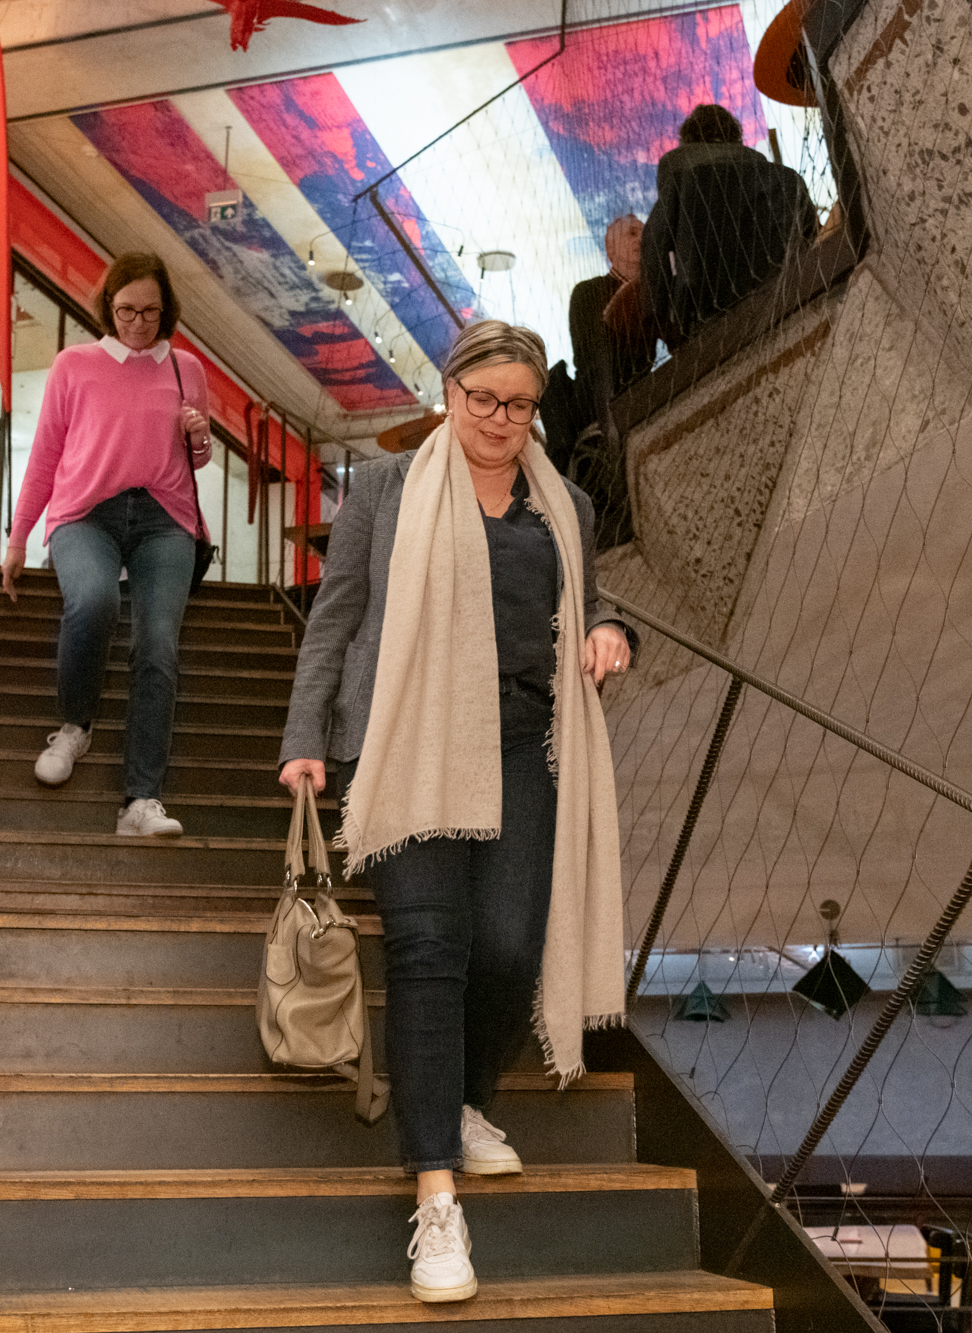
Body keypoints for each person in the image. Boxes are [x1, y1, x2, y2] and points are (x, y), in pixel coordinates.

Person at [277, 320, 635, 1304]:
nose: (499, 419)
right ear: (449, 392)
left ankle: (467, 1099)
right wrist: (305, 735)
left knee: (510, 947)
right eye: (483, 399)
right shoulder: (386, 490)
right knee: (431, 947)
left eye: (519, 405)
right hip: (408, 734)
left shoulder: (564, 505)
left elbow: (589, 602)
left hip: (522, 742)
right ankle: (436, 1196)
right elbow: (336, 614)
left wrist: (608, 630)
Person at [2, 253, 211, 837]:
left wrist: (199, 438)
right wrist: (18, 538)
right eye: (126, 310)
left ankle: (140, 802)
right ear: (108, 307)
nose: (138, 323)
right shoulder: (75, 365)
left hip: (165, 518)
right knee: (94, 601)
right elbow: (46, 454)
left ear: (166, 310)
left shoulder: (187, 368)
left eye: (150, 311)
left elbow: (196, 459)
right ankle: (75, 727)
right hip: (85, 513)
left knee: (158, 646)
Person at [640, 103, 818, 342]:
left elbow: (654, 256)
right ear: (736, 138)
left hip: (710, 331)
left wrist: (668, 331)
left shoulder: (678, 189)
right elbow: (811, 240)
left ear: (688, 142)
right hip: (789, 308)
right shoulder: (786, 180)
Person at [565, 214, 656, 548]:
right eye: (631, 233)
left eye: (644, 232)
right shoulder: (588, 292)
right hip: (604, 410)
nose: (640, 238)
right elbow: (595, 361)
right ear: (610, 250)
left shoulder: (651, 292)